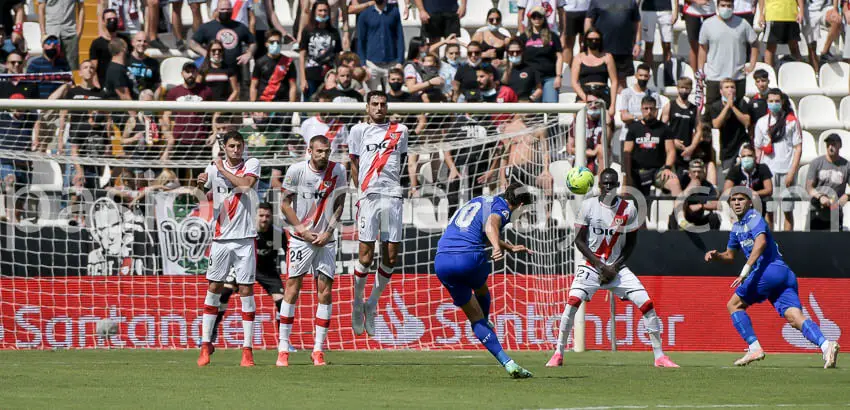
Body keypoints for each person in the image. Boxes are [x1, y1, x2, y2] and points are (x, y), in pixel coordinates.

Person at [547, 168, 680, 368]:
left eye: (612, 183)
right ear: (599, 185)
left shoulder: (629, 208)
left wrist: (614, 268)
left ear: (618, 186)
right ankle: (558, 353)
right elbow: (579, 241)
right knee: (572, 302)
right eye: (605, 183)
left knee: (647, 304)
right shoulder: (588, 206)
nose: (608, 187)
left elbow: (631, 243)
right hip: (592, 266)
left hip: (617, 268)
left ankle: (659, 356)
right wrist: (600, 265)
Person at [704, 188, 840, 367]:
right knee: (794, 316)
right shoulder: (737, 228)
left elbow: (761, 242)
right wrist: (717, 256)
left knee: (734, 305)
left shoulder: (753, 217)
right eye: (733, 200)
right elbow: (729, 255)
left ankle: (754, 348)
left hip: (769, 270)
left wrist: (745, 270)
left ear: (750, 202)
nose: (736, 202)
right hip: (783, 274)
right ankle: (826, 345)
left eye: (741, 199)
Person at [434, 182, 534, 378]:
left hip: (442, 260)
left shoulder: (482, 201)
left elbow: (483, 229)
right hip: (468, 257)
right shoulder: (504, 209)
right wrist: (497, 247)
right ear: (521, 205)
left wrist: (508, 247)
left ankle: (507, 362)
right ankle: (487, 323)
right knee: (481, 291)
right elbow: (491, 225)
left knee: (474, 317)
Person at [277, 136, 347, 367]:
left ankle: (318, 349)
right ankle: (283, 347)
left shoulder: (339, 170)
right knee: (292, 287)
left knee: (325, 291)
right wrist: (302, 231)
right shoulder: (296, 170)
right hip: (300, 239)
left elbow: (340, 203)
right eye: (319, 151)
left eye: (326, 151)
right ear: (309, 151)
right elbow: (285, 203)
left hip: (325, 239)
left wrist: (328, 232)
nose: (323, 155)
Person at [196, 130, 261, 367]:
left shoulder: (252, 163)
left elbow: (245, 186)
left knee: (245, 290)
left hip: (245, 238)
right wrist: (201, 185)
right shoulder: (212, 169)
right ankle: (205, 344)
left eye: (239, 146)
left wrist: (221, 169)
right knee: (213, 287)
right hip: (221, 238)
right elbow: (201, 199)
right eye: (231, 146)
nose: (236, 150)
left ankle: (247, 349)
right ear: (224, 147)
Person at [348, 91, 409, 337]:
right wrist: (359, 192)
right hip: (369, 196)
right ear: (367, 107)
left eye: (383, 104)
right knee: (365, 256)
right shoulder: (358, 131)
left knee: (391, 257)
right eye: (375, 104)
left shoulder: (401, 130)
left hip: (392, 194)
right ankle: (356, 302)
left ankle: (372, 303)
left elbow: (402, 160)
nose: (379, 108)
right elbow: (353, 163)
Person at [210, 202, 287, 348]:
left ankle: (283, 341)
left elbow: (286, 252)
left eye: (267, 216)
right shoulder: (247, 230)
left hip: (267, 270)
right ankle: (213, 330)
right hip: (243, 266)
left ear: (271, 217)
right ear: (255, 216)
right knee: (225, 292)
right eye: (261, 215)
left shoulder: (277, 233)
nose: (264, 219)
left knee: (282, 303)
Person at [754, 89, 801, 231]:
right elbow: (757, 148)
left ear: (782, 102)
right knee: (769, 210)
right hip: (769, 172)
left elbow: (797, 148)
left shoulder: (791, 121)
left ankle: (788, 244)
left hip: (787, 170)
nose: (774, 104)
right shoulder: (761, 122)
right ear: (766, 103)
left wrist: (792, 172)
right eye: (771, 101)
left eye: (777, 101)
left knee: (787, 210)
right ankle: (769, 245)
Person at [698, 0, 758, 107]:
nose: (726, 8)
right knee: (711, 113)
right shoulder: (708, 24)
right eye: (723, 5)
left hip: (737, 77)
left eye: (729, 6)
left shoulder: (742, 24)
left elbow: (754, 43)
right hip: (714, 77)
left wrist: (752, 65)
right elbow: (702, 49)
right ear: (717, 6)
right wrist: (700, 71)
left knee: (737, 112)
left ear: (733, 7)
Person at [624, 96, 683, 199]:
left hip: (658, 171)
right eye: (646, 109)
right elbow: (627, 153)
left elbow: (671, 150)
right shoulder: (634, 128)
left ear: (656, 110)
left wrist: (668, 168)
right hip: (638, 171)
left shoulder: (664, 128)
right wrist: (628, 176)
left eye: (652, 109)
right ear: (641, 109)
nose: (649, 112)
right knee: (626, 192)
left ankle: (678, 214)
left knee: (674, 182)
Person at [585, 0, 641, 93]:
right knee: (600, 81)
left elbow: (637, 22)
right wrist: (589, 41)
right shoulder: (596, 1)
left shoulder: (631, 2)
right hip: (601, 50)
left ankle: (620, 106)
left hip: (623, 49)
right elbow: (588, 20)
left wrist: (638, 43)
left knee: (621, 83)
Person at [163, 63, 214, 161]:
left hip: (200, 139)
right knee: (179, 174)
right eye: (187, 72)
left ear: (197, 73)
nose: (190, 74)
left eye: (193, 71)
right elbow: (166, 115)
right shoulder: (174, 92)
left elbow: (215, 112)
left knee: (200, 174)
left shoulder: (206, 91)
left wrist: (214, 132)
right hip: (179, 138)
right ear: (182, 74)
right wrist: (168, 134)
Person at [190, 0, 256, 72]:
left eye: (228, 9)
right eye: (222, 9)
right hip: (214, 71)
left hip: (235, 71)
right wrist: (205, 53)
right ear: (217, 10)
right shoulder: (207, 27)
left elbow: (253, 42)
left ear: (232, 10)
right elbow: (193, 43)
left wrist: (249, 53)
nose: (225, 11)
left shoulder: (239, 26)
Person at [357, 0, 405, 92]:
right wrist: (363, 64)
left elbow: (400, 37)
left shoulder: (394, 12)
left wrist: (400, 61)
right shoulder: (365, 14)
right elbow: (361, 40)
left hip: (392, 62)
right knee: (372, 95)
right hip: (372, 63)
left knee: (392, 95)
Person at [299, 0, 343, 101]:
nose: (323, 13)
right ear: (314, 12)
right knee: (308, 104)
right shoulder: (307, 31)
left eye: (325, 11)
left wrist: (337, 75)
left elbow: (337, 56)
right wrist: (302, 79)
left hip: (329, 75)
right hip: (311, 74)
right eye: (320, 10)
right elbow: (302, 55)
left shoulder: (334, 32)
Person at [519, 6, 564, 103]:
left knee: (551, 109)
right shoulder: (523, 37)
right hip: (531, 79)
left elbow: (559, 57)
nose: (537, 19)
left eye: (539, 16)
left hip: (549, 77)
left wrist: (558, 76)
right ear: (530, 19)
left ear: (544, 18)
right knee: (532, 111)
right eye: (534, 17)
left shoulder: (553, 36)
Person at [806, 133, 850, 230]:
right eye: (828, 144)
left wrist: (847, 196)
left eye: (833, 144)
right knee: (812, 243)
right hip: (816, 210)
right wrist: (820, 197)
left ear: (840, 145)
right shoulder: (816, 163)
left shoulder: (846, 165)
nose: (830, 147)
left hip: (835, 212)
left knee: (834, 244)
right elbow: (809, 187)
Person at [709, 79, 752, 174]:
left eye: (732, 87)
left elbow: (747, 122)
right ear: (721, 91)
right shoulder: (715, 106)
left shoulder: (742, 103)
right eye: (727, 87)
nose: (730, 90)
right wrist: (727, 106)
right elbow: (716, 124)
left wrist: (733, 107)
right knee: (728, 175)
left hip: (742, 142)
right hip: (726, 147)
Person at [571, 28, 618, 113]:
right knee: (579, 116)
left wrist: (613, 105)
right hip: (584, 92)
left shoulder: (607, 57)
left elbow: (614, 81)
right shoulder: (578, 58)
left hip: (603, 92)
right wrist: (585, 97)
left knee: (607, 120)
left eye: (596, 39)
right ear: (585, 40)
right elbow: (574, 82)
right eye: (590, 39)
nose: (593, 41)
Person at [567, 92, 612, 174]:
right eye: (589, 103)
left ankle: (600, 184)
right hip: (582, 158)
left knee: (602, 149)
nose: (593, 105)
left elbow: (605, 144)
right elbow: (570, 148)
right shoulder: (577, 122)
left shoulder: (606, 121)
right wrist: (591, 153)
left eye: (596, 102)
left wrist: (607, 123)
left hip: (598, 160)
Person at [671, 159, 722, 230]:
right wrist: (690, 188)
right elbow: (677, 201)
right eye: (694, 172)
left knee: (714, 217)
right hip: (683, 216)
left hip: (698, 217)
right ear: (689, 173)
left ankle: (710, 239)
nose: (697, 175)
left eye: (699, 172)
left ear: (704, 173)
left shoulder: (707, 185)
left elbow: (716, 203)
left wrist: (701, 206)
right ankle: (676, 236)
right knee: (674, 216)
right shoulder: (683, 182)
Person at [663, 77, 698, 172]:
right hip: (671, 149)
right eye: (682, 87)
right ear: (677, 88)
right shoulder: (670, 105)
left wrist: (692, 147)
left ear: (691, 89)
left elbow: (699, 131)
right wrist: (673, 141)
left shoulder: (694, 109)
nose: (684, 90)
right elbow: (662, 128)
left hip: (687, 151)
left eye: (687, 88)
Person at [250, 31, 297, 103]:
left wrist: (292, 107)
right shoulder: (260, 62)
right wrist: (253, 107)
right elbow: (253, 86)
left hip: (283, 104)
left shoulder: (288, 62)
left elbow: (293, 86)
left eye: (278, 42)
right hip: (264, 103)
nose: (275, 44)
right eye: (272, 42)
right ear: (266, 44)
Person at [38, 0, 84, 70]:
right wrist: (43, 34)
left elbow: (81, 7)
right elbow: (41, 8)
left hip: (70, 32)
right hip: (50, 32)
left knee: (72, 68)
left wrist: (79, 31)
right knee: (48, 65)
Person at [759, 0, 803, 67]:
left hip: (791, 16)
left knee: (794, 46)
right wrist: (761, 14)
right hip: (773, 15)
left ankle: (800, 70)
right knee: (770, 48)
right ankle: (770, 74)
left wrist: (801, 12)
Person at [27, 36, 73, 100]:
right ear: (43, 46)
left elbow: (70, 83)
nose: (52, 45)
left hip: (60, 103)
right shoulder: (35, 64)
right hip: (41, 103)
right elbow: (28, 85)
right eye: (48, 42)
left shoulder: (64, 64)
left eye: (55, 42)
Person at [802, 0, 841, 70]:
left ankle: (825, 52)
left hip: (826, 7)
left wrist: (835, 9)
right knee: (812, 50)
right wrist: (801, 11)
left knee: (836, 20)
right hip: (809, 9)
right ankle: (816, 74)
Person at [641, 0, 678, 65]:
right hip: (648, 10)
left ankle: (667, 72)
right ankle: (648, 72)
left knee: (667, 45)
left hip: (666, 10)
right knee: (648, 45)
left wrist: (676, 11)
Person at [682, 0, 716, 71]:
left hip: (711, 12)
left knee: (711, 46)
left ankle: (709, 74)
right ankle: (694, 76)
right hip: (692, 12)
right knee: (694, 46)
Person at [127, 32, 161, 97]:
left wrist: (154, 102)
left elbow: (157, 86)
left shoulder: (154, 63)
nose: (142, 43)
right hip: (128, 102)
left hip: (147, 102)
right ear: (132, 43)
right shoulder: (125, 60)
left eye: (145, 41)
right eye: (139, 41)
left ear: (148, 44)